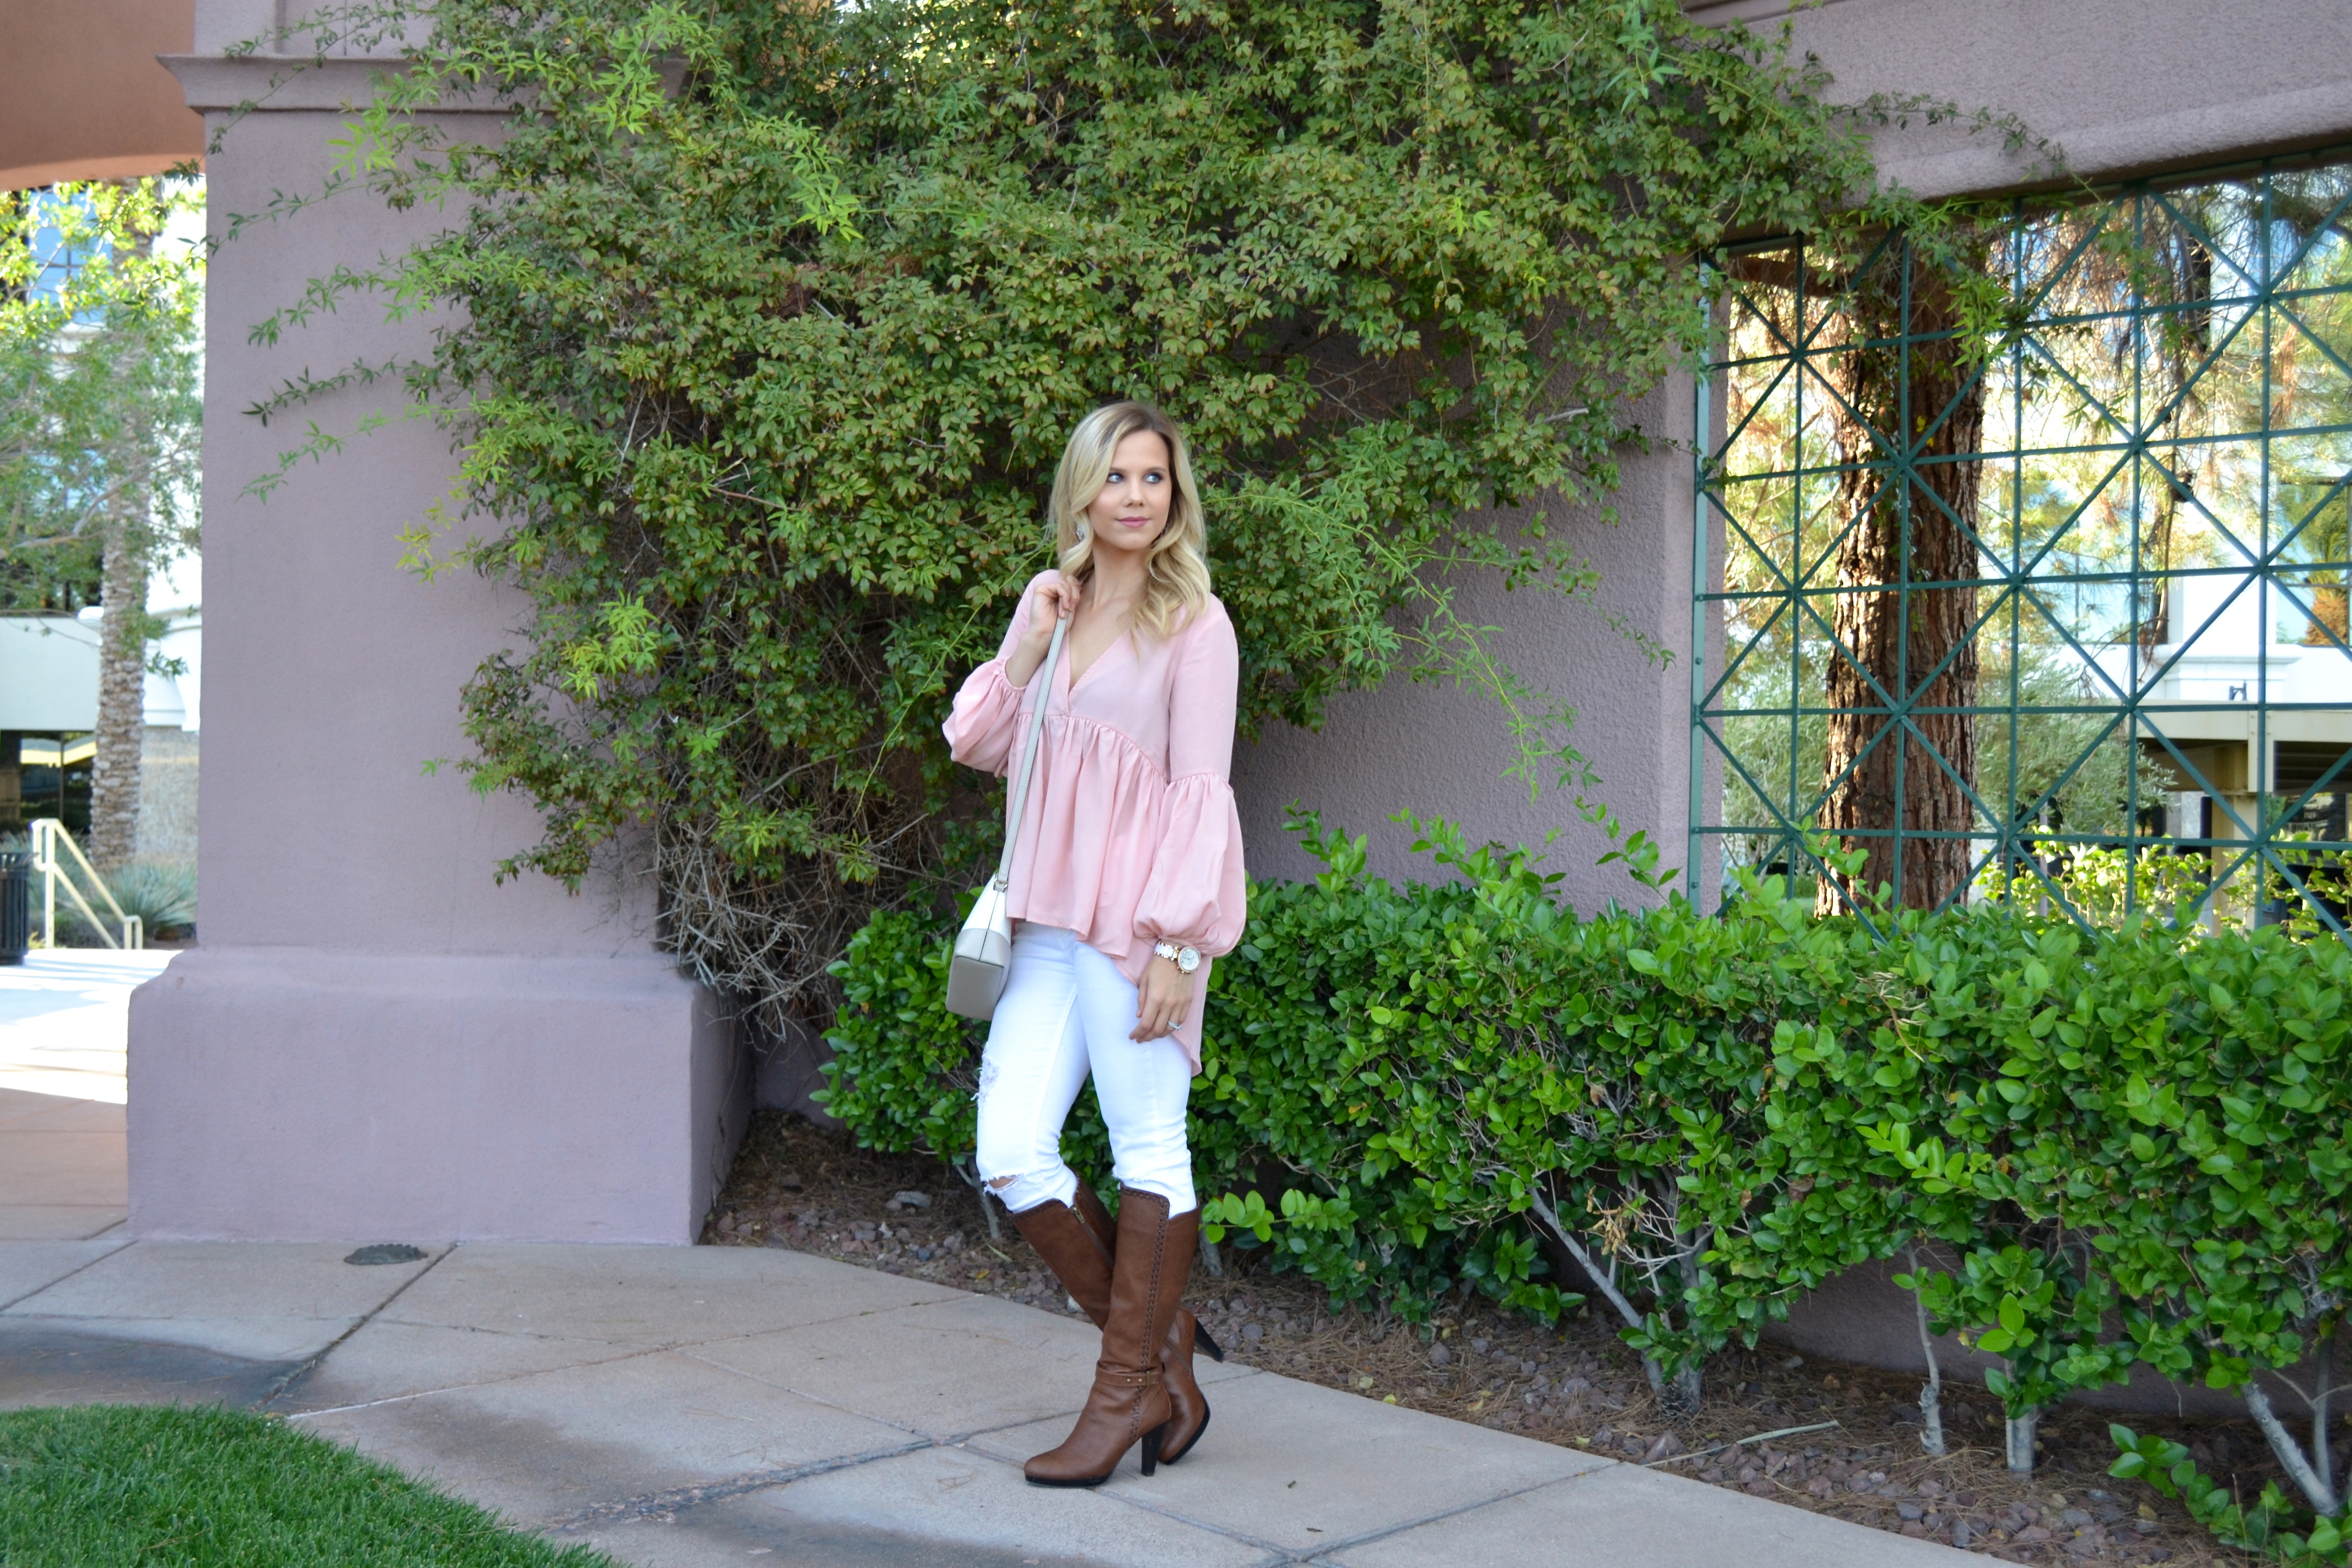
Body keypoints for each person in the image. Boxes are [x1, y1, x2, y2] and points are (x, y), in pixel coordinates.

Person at [943, 400, 1247, 1487]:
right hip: (1046, 934)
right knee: (1012, 1150)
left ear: (1175, 494)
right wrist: (1024, 640)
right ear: (1082, 491)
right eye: (1116, 477)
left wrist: (1182, 948)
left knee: (1148, 1149)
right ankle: (1165, 1363)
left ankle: (1121, 1400)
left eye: (1153, 478)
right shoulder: (1057, 611)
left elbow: (1202, 790)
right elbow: (977, 740)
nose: (1134, 496)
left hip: (1137, 939)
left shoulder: (1196, 624)